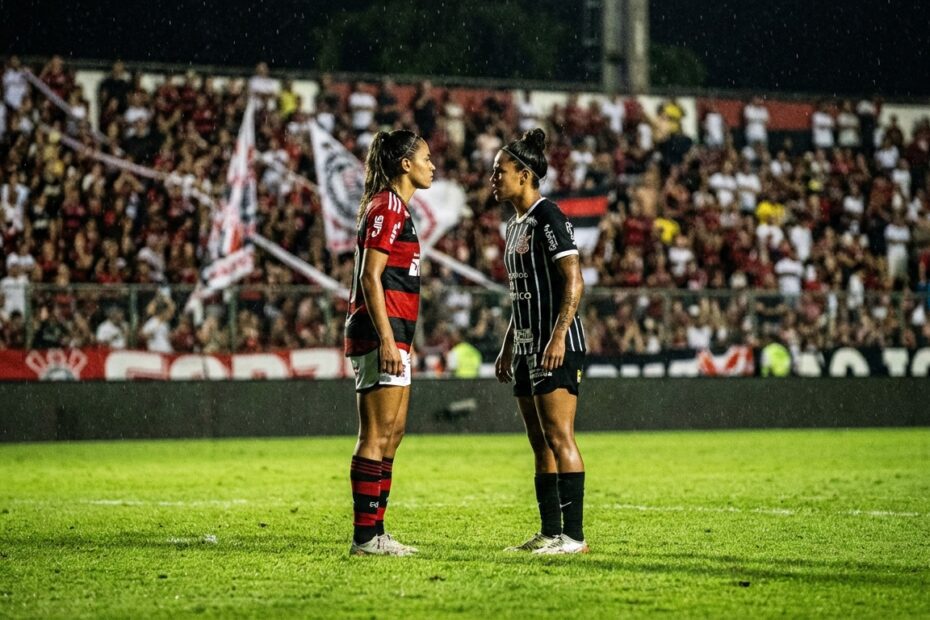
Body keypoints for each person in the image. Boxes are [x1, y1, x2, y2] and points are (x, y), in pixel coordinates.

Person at [491, 129, 589, 555]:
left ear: (525, 174)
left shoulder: (549, 216)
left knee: (559, 435)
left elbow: (574, 280)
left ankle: (574, 537)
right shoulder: (513, 226)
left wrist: (559, 336)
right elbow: (521, 292)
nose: (494, 177)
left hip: (556, 345)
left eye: (501, 171)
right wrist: (509, 344)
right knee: (539, 441)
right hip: (528, 344)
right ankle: (550, 532)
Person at [344, 129, 434, 556]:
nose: (432, 166)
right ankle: (365, 537)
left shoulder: (397, 208)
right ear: (405, 165)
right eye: (426, 159)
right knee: (375, 435)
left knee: (393, 434)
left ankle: (377, 531)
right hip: (381, 334)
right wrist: (384, 339)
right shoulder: (387, 207)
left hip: (397, 335)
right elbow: (369, 276)